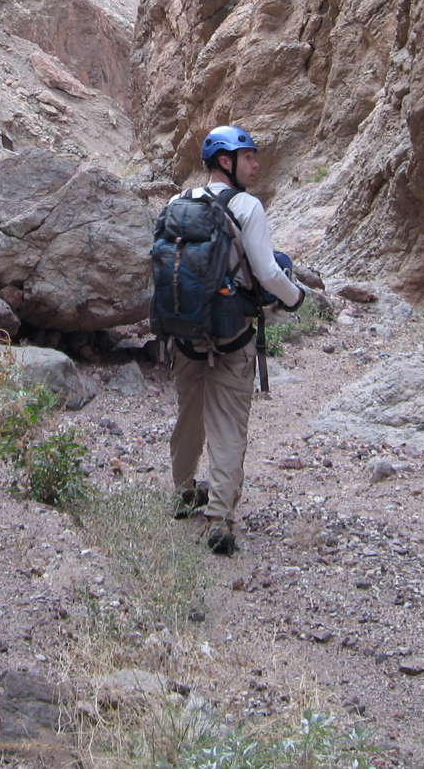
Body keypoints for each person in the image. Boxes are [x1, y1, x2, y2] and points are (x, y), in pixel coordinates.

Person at [168, 124, 305, 555]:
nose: (256, 165)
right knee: (227, 423)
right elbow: (267, 272)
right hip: (232, 333)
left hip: (185, 332)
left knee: (188, 416)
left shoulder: (177, 201)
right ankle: (219, 519)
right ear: (226, 161)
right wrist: (296, 297)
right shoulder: (247, 206)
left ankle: (183, 492)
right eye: (248, 157)